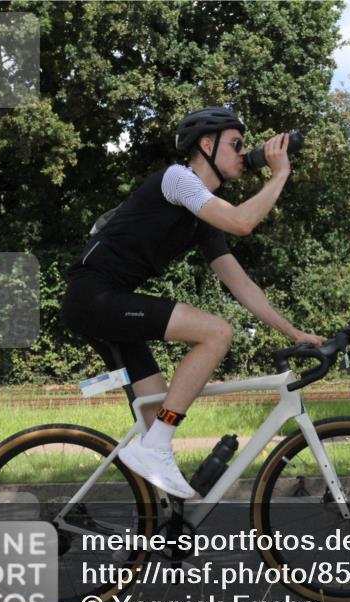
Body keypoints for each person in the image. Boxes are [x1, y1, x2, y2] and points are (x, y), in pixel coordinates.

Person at [60, 107, 322, 499]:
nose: (243, 153)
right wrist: (279, 173)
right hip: (95, 295)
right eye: (236, 145)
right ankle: (156, 447)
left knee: (156, 414)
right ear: (206, 144)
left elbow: (241, 285)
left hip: (112, 304)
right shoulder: (177, 179)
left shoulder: (202, 216)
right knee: (217, 332)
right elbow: (242, 223)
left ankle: (161, 522)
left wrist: (293, 332)